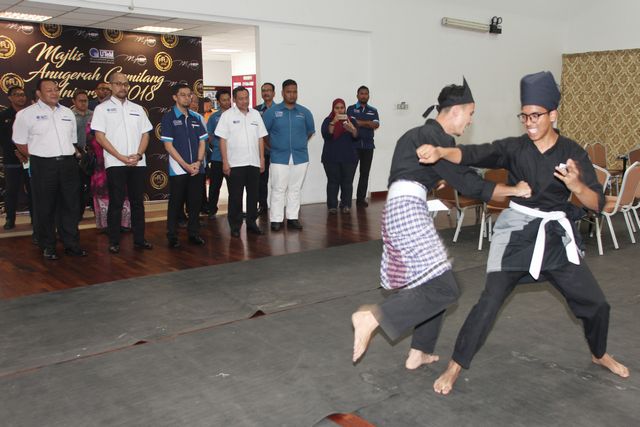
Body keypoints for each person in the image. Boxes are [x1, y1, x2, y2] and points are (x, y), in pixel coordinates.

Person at [415, 71, 630, 395]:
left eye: (536, 115)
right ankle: (455, 366)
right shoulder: (515, 148)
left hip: (555, 238)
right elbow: (474, 153)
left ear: (553, 115)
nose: (529, 122)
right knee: (489, 302)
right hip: (517, 235)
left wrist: (576, 186)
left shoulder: (572, 152)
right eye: (524, 115)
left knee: (597, 305)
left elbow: (597, 203)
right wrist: (443, 153)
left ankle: (599, 353)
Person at [351, 78, 531, 369]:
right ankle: (373, 317)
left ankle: (420, 351)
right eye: (470, 114)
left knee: (431, 283)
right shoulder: (439, 140)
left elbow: (410, 174)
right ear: (456, 111)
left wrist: (437, 179)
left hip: (396, 210)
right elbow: (470, 184)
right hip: (409, 211)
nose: (470, 121)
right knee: (446, 288)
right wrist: (514, 190)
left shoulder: (412, 134)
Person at [12, 78, 87, 260]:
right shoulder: (26, 114)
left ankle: (71, 244)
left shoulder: (67, 112)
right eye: (49, 90)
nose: (54, 93)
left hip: (68, 164)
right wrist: (38, 155)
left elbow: (72, 140)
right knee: (45, 207)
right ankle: (48, 246)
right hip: (43, 165)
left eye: (56, 89)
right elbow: (20, 142)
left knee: (70, 205)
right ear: (38, 93)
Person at [91, 72, 153, 254]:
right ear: (110, 86)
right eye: (118, 84)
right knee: (116, 202)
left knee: (137, 203)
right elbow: (100, 137)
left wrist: (139, 155)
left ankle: (140, 239)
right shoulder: (102, 109)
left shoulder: (138, 108)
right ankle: (114, 241)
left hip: (137, 163)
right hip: (115, 162)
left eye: (125, 84)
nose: (123, 87)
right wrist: (120, 156)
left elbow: (146, 134)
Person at [262, 79, 315, 231]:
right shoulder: (272, 112)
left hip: (300, 157)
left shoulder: (305, 112)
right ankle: (276, 219)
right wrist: (273, 147)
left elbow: (309, 132)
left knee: (295, 189)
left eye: (294, 92)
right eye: (289, 92)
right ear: (282, 93)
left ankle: (292, 218)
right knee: (278, 188)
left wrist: (299, 143)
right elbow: (263, 134)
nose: (292, 95)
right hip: (279, 157)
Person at [215, 86, 267, 237]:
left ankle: (252, 223)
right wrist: (225, 161)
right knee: (235, 197)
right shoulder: (227, 116)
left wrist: (262, 159)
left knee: (253, 195)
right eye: (241, 99)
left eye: (246, 98)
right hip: (235, 163)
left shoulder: (256, 114)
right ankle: (235, 226)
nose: (244, 101)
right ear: (234, 100)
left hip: (253, 162)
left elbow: (260, 138)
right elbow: (222, 140)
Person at [160, 83, 208, 247]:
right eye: (183, 95)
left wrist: (198, 162)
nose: (187, 98)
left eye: (189, 95)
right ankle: (172, 235)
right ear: (175, 97)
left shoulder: (196, 118)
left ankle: (194, 233)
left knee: (195, 203)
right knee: (176, 203)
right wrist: (185, 165)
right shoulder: (169, 118)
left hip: (197, 168)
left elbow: (202, 142)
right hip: (178, 169)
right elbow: (168, 146)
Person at [321, 98, 359, 213]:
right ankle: (332, 206)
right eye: (337, 108)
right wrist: (334, 122)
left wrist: (352, 129)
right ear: (333, 109)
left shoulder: (351, 120)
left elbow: (357, 136)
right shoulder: (328, 120)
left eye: (342, 108)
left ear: (345, 108)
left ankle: (346, 204)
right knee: (333, 182)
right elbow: (327, 135)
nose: (340, 110)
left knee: (347, 183)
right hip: (331, 157)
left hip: (349, 157)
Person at [0, 86, 30, 230]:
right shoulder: (4, 116)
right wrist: (16, 151)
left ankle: (36, 218)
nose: (20, 97)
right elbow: (3, 139)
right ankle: (10, 219)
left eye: (22, 94)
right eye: (17, 95)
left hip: (30, 159)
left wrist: (26, 152)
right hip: (11, 160)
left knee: (33, 190)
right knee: (11, 191)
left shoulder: (30, 114)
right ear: (10, 98)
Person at [347, 86, 380, 207]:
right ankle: (346, 201)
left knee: (364, 174)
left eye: (366, 94)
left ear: (368, 96)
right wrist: (368, 123)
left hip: (368, 146)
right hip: (353, 145)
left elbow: (376, 125)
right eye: (361, 93)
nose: (364, 96)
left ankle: (360, 199)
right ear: (357, 95)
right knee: (349, 174)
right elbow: (352, 123)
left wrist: (360, 122)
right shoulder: (351, 109)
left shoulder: (373, 110)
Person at [205, 89, 232, 217]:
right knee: (215, 186)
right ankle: (212, 210)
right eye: (223, 100)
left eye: (228, 99)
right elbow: (209, 135)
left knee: (234, 187)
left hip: (233, 158)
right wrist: (218, 144)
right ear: (218, 101)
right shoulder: (213, 117)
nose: (226, 102)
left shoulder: (236, 115)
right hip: (217, 157)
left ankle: (235, 211)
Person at [72, 90, 93, 219]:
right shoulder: (69, 116)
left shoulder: (93, 114)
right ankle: (78, 213)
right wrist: (76, 151)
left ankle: (98, 211)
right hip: (76, 154)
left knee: (93, 185)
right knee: (77, 185)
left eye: (85, 100)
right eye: (80, 101)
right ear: (74, 101)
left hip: (92, 154)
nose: (83, 103)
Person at [255, 82, 276, 214]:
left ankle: (279, 205)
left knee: (279, 179)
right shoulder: (255, 110)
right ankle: (262, 205)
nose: (266, 93)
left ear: (274, 93)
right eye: (263, 90)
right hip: (261, 152)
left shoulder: (280, 109)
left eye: (268, 90)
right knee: (261, 181)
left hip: (278, 151)